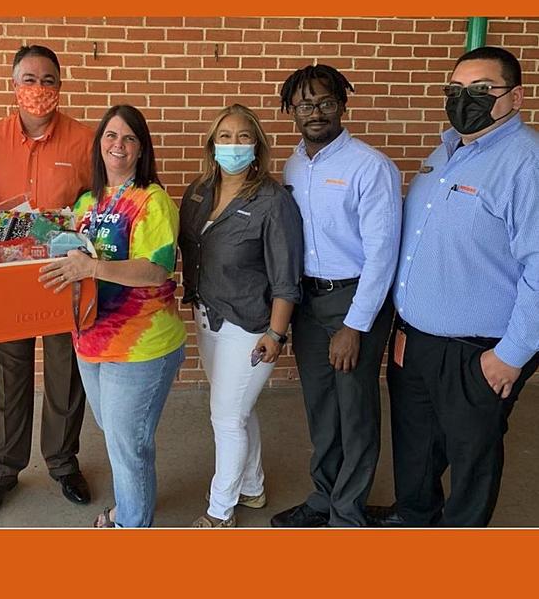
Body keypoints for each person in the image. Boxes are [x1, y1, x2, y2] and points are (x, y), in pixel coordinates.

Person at [369, 47, 539, 527]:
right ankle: (416, 517)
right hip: (417, 340)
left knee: (471, 456)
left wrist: (512, 354)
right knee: (416, 443)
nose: (467, 100)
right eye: (457, 90)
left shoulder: (526, 163)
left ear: (516, 97)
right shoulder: (445, 151)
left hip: (477, 350)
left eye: (483, 90)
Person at [40, 105, 186, 528]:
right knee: (118, 432)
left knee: (128, 443)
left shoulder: (152, 201)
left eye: (128, 138)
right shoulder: (87, 201)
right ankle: (134, 505)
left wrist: (93, 268)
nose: (117, 145)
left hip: (142, 345)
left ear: (141, 149)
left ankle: (130, 523)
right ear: (99, 144)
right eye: (110, 137)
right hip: (90, 340)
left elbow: (156, 268)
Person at [271, 65, 401, 528]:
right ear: (291, 111)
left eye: (326, 102)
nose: (316, 112)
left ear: (342, 105)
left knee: (355, 410)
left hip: (353, 302)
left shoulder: (371, 166)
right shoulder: (293, 163)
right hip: (308, 302)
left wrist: (354, 326)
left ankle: (347, 516)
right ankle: (324, 498)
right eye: (305, 105)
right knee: (321, 407)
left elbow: (383, 255)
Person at [0, 44, 94, 518]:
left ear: (59, 86)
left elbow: (95, 203)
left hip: (64, 274)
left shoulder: (85, 140)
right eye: (28, 79)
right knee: (9, 374)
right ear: (12, 84)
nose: (37, 90)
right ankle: (1, 470)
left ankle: (63, 463)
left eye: (47, 80)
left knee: (67, 373)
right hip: (7, 279)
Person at [179, 104, 303, 528]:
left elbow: (287, 277)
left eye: (243, 137)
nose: (233, 145)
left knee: (227, 417)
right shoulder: (198, 192)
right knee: (238, 409)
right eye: (225, 136)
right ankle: (252, 485)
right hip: (207, 316)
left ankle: (220, 511)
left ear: (258, 146)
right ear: (212, 144)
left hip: (250, 326)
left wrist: (276, 333)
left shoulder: (273, 201)